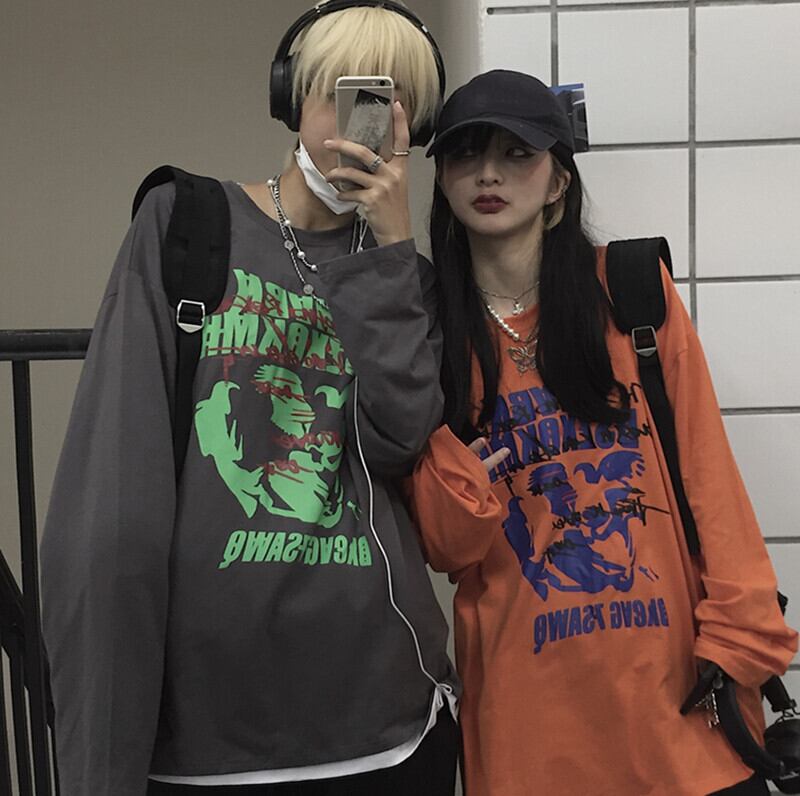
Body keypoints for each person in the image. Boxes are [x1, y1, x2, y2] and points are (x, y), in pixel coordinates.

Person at [40, 3, 460, 795]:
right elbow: (113, 501)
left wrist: (391, 250)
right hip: (210, 740)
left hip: (386, 727)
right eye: (345, 94)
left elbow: (400, 438)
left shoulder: (408, 279)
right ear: (291, 97)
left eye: (389, 104)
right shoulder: (188, 227)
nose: (363, 126)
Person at [407, 69, 798, 796]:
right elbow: (445, 546)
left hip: (680, 708)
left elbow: (708, 473)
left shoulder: (630, 292)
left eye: (517, 153)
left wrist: (742, 634)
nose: (488, 173)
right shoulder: (429, 334)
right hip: (530, 724)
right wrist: (464, 480)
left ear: (559, 181)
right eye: (465, 154)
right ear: (442, 181)